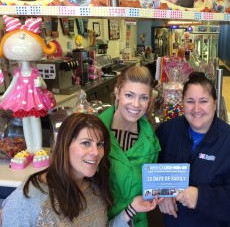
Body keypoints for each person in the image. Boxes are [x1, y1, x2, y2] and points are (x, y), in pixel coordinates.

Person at [1, 113, 160, 226]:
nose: (96, 152)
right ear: (65, 146)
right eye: (86, 143)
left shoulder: (95, 188)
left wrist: (132, 210)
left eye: (100, 144)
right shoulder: (29, 198)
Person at [155, 72, 230, 226]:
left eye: (203, 101)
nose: (196, 109)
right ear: (182, 103)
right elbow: (153, 167)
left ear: (215, 103)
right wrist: (162, 194)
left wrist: (201, 197)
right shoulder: (167, 132)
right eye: (190, 101)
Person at [99, 66, 161, 227]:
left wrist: (166, 194)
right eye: (129, 95)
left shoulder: (151, 141)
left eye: (143, 98)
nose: (136, 104)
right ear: (117, 93)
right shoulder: (94, 133)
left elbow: (152, 186)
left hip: (136, 221)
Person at [0, 15, 57, 168]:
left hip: (34, 100)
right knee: (26, 122)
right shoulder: (18, 73)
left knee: (35, 121)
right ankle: (30, 148)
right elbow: (11, 86)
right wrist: (3, 97)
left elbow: (43, 85)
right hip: (22, 101)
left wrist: (41, 84)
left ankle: (38, 147)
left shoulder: (34, 73)